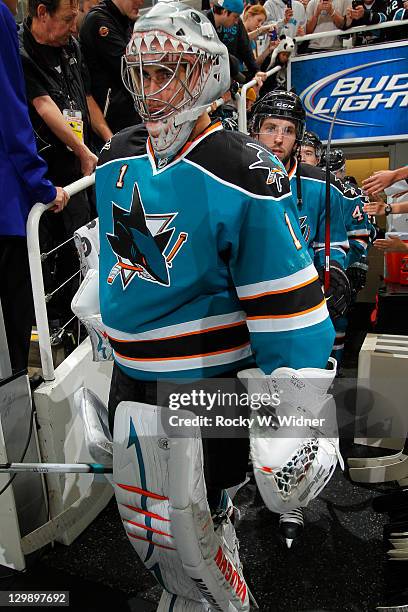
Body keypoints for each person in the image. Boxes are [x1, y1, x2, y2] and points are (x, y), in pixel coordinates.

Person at [94, 3, 340, 606]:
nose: (152, 89)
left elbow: (290, 309)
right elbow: (119, 270)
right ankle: (182, 594)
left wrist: (299, 410)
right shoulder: (113, 158)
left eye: (168, 71)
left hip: (207, 383)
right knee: (147, 530)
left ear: (205, 73)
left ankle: (222, 584)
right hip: (131, 382)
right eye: (143, 73)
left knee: (201, 519)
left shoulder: (246, 171)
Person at [249, 91, 354, 544]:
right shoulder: (236, 178)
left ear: (298, 138)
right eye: (270, 128)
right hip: (251, 311)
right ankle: (254, 482)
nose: (278, 138)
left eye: (288, 131)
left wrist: (336, 269)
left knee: (302, 406)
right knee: (254, 402)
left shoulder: (318, 184)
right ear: (255, 130)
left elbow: (340, 241)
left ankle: (295, 499)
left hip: (303, 314)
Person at [19, 0, 111, 325]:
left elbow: (83, 97)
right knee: (55, 261)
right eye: (68, 19)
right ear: (42, 13)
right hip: (47, 177)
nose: (75, 28)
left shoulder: (69, 45)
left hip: (78, 172)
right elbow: (44, 106)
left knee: (85, 247)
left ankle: (88, 327)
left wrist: (100, 140)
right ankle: (60, 331)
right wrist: (84, 151)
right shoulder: (22, 54)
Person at [0, 0, 68, 373]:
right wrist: (42, 186)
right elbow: (11, 110)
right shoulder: (1, 18)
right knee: (12, 343)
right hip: (6, 211)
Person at [319, 149, 374, 365]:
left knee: (338, 317)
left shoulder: (351, 195)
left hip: (343, 267)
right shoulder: (307, 187)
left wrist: (339, 267)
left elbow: (364, 236)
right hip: (313, 269)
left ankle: (335, 366)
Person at [80, 0, 143, 135]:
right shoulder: (98, 20)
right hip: (112, 124)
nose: (141, 2)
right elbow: (130, 69)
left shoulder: (127, 20)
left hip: (132, 116)